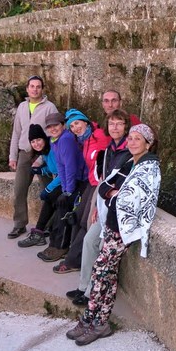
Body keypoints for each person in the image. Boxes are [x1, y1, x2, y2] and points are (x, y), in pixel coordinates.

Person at [66, 123, 161, 346]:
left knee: (100, 272)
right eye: (131, 138)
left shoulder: (149, 167)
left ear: (148, 143)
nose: (132, 142)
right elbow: (105, 186)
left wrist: (114, 193)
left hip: (122, 231)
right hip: (112, 223)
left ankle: (92, 319)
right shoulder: (131, 162)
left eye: (138, 139)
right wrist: (113, 193)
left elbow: (128, 197)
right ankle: (99, 322)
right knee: (106, 275)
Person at [53, 91, 139, 274]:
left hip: (105, 186)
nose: (110, 104)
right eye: (106, 101)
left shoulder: (101, 134)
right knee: (78, 218)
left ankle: (74, 261)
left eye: (114, 100)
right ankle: (74, 257)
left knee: (86, 222)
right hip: (95, 183)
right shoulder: (87, 138)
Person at [65, 109, 132, 306]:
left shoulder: (129, 150)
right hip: (104, 207)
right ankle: (83, 285)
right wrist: (97, 206)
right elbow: (103, 179)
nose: (115, 127)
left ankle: (90, 293)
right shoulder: (108, 150)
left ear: (125, 127)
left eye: (119, 124)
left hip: (117, 211)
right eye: (112, 124)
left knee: (102, 247)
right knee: (88, 240)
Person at [7, 75, 58, 239]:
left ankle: (49, 225)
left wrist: (46, 153)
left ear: (42, 89)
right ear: (27, 89)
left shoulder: (50, 107)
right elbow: (16, 132)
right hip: (24, 153)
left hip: (43, 154)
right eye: (32, 86)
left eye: (38, 86)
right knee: (19, 190)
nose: (35, 89)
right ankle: (19, 224)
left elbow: (55, 130)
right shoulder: (22, 106)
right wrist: (12, 156)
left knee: (49, 190)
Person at [37, 112, 86, 262]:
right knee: (57, 199)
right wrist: (64, 189)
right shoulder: (54, 140)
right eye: (50, 127)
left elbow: (70, 167)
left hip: (80, 180)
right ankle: (55, 241)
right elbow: (60, 166)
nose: (53, 129)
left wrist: (68, 191)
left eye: (56, 125)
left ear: (63, 125)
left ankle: (61, 246)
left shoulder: (66, 140)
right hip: (71, 181)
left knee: (64, 205)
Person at [17, 124, 61, 248]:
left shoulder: (52, 149)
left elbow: (62, 173)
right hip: (61, 179)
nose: (36, 144)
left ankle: (39, 232)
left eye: (38, 140)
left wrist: (48, 188)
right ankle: (40, 232)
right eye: (33, 141)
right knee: (49, 199)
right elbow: (53, 167)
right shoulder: (45, 151)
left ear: (44, 138)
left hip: (67, 181)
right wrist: (42, 171)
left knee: (49, 197)